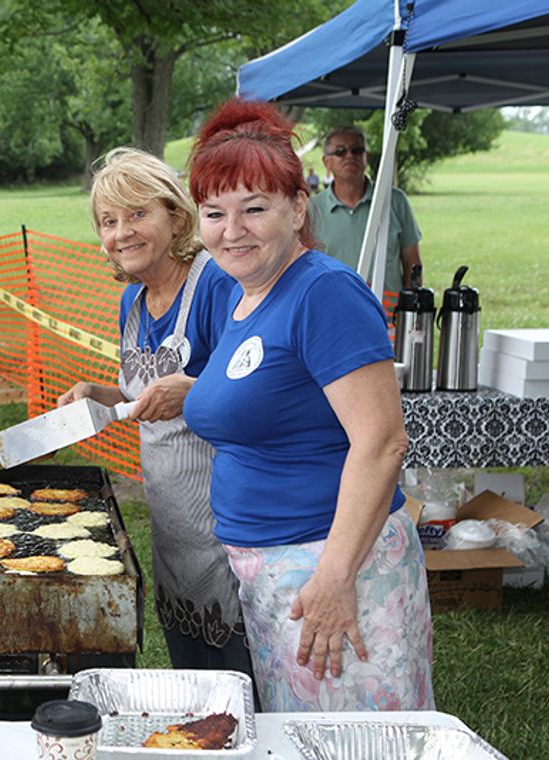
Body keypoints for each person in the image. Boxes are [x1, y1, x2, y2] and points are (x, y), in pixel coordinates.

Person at [183, 99, 434, 712]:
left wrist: (335, 577)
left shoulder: (324, 292)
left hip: (333, 565)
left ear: (299, 208)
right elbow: (270, 393)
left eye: (254, 208)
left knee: (360, 744)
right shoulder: (238, 290)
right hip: (273, 569)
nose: (231, 229)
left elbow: (382, 442)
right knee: (299, 736)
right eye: (214, 212)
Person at [57, 148, 254, 681]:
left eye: (137, 214)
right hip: (170, 517)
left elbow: (257, 389)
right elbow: (139, 391)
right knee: (191, 671)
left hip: (227, 519)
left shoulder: (216, 283)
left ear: (176, 216)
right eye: (108, 221)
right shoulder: (134, 302)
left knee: (237, 672)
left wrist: (193, 392)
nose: (122, 232)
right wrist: (98, 394)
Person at [309, 125, 423, 317]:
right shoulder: (311, 210)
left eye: (357, 150)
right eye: (340, 151)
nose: (349, 156)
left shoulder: (395, 201)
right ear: (326, 162)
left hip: (387, 317)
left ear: (366, 157)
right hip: (331, 315)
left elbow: (413, 262)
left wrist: (410, 312)